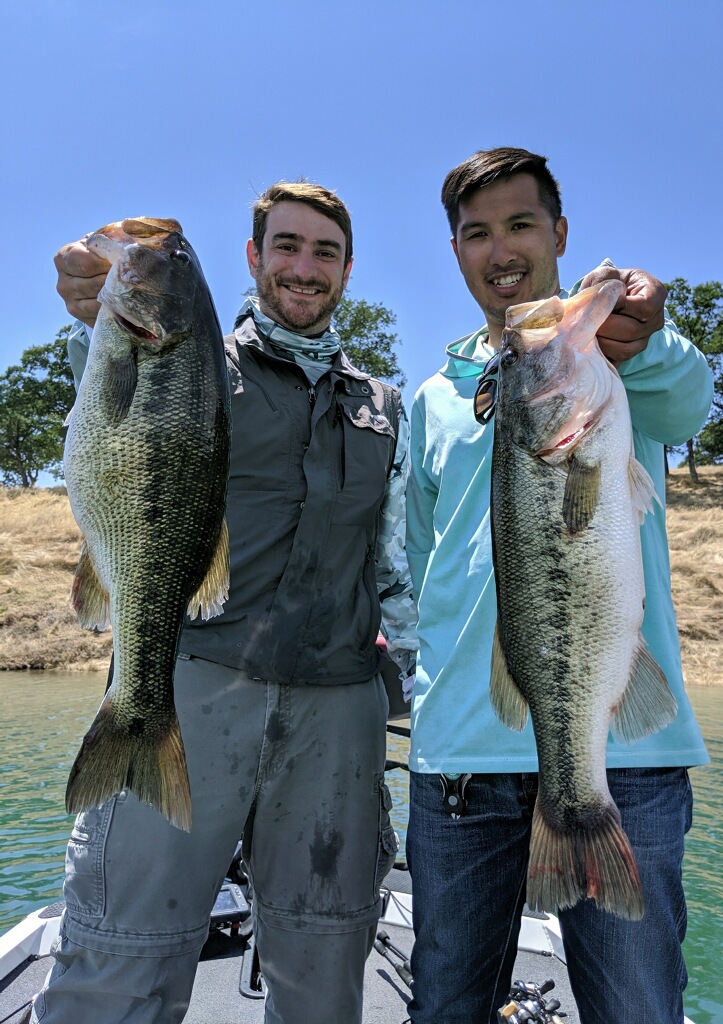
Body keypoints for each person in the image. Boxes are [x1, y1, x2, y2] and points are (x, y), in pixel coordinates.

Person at [27, 181, 418, 1024]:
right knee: (121, 955)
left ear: (348, 270)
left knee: (323, 963)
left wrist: (418, 674)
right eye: (286, 246)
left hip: (338, 709)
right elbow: (106, 398)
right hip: (191, 683)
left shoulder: (383, 406)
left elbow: (393, 565)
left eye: (325, 252)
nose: (303, 268)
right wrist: (92, 303)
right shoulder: (198, 358)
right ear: (254, 257)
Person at [404, 147, 713, 1024]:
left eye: (521, 224)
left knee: (639, 1008)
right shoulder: (434, 395)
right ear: (457, 250)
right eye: (476, 233)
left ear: (559, 233)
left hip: (625, 760)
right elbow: (425, 558)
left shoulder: (618, 361)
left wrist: (644, 337)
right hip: (462, 760)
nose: (500, 249)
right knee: (446, 1009)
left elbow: (688, 402)